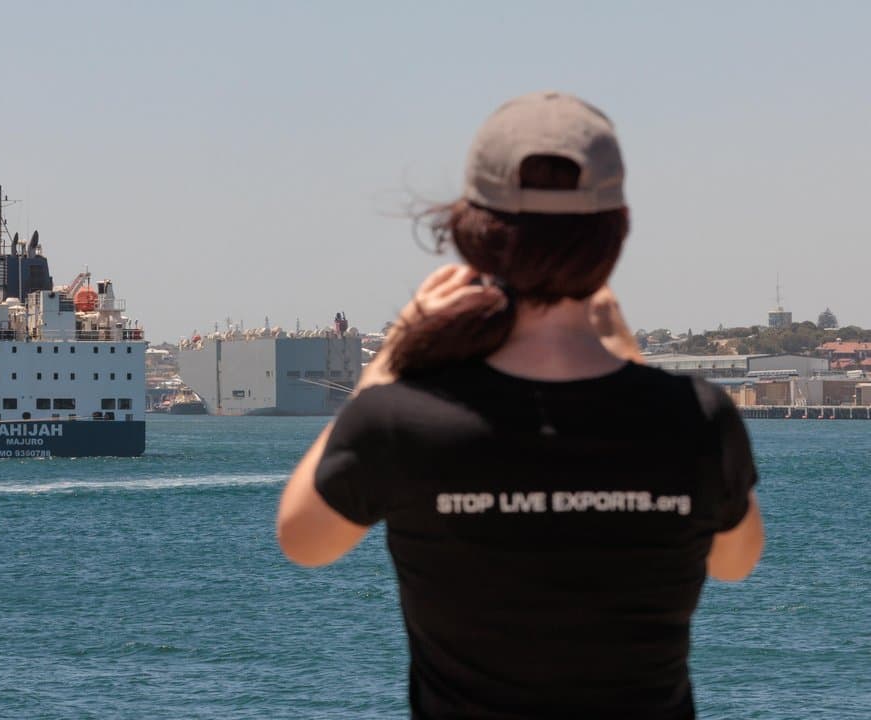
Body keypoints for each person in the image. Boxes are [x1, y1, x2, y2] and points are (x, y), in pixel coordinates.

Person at [277, 91, 764, 719]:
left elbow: (304, 541)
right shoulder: (697, 418)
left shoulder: (400, 421)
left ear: (473, 231)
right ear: (616, 230)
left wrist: (391, 359)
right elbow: (735, 561)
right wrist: (633, 365)